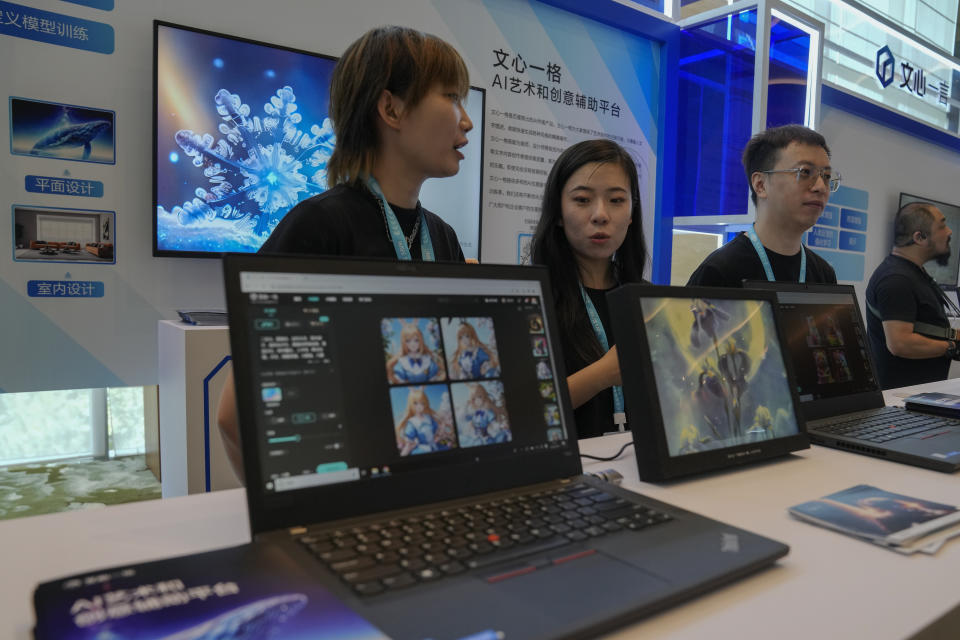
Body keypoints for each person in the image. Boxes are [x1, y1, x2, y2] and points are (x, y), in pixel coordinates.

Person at [217, 25, 473, 477]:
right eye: (452, 97)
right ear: (391, 108)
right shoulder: (318, 228)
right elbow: (235, 418)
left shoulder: (444, 237)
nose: (466, 121)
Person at [530, 139, 647, 439]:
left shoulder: (646, 299)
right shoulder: (531, 299)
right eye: (582, 200)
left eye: (617, 200)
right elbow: (520, 409)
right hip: (564, 475)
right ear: (558, 211)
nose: (600, 214)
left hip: (640, 474)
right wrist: (602, 375)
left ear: (632, 213)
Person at [687, 125, 839, 287]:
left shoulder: (824, 274)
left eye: (827, 176)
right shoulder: (719, 272)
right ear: (760, 185)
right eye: (805, 172)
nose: (821, 187)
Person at [865, 202, 958, 389]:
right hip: (900, 403)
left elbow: (926, 327)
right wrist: (951, 347)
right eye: (941, 226)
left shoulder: (913, 273)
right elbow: (900, 343)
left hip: (918, 397)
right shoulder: (896, 280)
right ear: (920, 237)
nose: (949, 232)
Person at [396, 388, 449, 456]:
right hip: (422, 449)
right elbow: (409, 444)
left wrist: (440, 434)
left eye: (422, 403)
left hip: (435, 446)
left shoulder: (429, 418)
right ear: (411, 404)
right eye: (415, 403)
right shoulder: (412, 422)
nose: (419, 406)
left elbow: (436, 432)